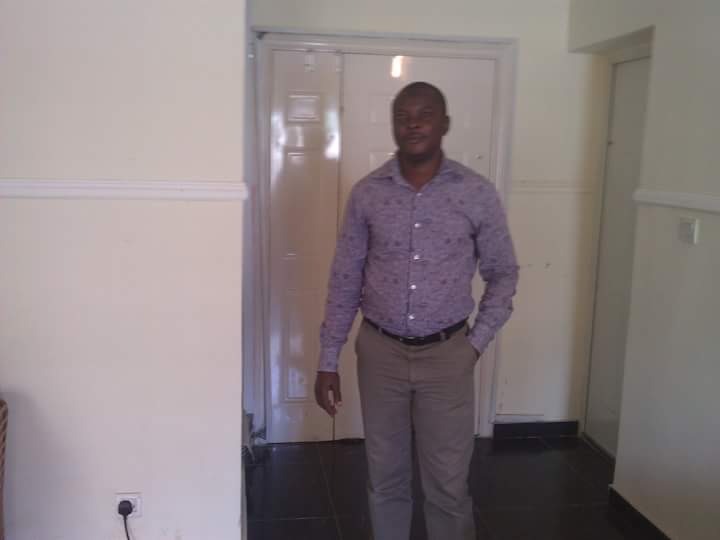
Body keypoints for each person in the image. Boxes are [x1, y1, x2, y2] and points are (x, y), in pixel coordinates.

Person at [315, 81, 519, 540]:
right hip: (380, 354)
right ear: (393, 125)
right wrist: (328, 360)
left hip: (448, 355)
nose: (413, 123)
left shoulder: (476, 193)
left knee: (448, 484)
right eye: (403, 115)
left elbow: (503, 272)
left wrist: (474, 344)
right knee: (384, 478)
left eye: (424, 113)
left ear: (444, 123)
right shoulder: (367, 194)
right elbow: (345, 279)